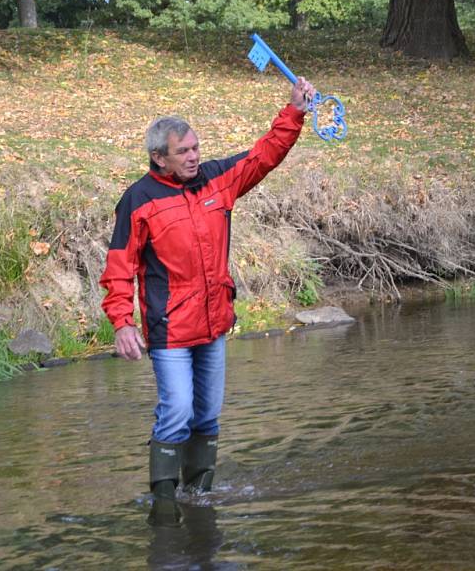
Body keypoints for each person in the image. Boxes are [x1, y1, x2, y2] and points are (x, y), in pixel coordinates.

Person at [99, 77, 316, 525]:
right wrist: (122, 322)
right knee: (176, 410)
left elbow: (264, 155)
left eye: (196, 147)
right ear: (159, 157)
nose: (194, 156)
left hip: (214, 323)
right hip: (170, 330)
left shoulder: (218, 178)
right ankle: (163, 508)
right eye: (184, 151)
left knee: (207, 416)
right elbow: (119, 267)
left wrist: (294, 112)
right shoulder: (138, 200)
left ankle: (198, 500)